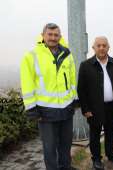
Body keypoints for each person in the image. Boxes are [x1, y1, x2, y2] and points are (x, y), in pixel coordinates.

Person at [20, 23, 77, 170]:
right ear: (43, 36)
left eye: (56, 35)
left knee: (66, 143)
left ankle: (66, 167)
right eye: (50, 35)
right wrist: (31, 108)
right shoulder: (31, 56)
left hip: (66, 108)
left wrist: (74, 100)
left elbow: (72, 79)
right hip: (45, 111)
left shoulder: (67, 54)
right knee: (50, 147)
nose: (53, 38)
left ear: (60, 36)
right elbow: (27, 83)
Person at [77, 36, 113, 170]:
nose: (101, 48)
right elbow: (81, 90)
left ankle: (111, 155)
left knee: (111, 132)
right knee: (94, 135)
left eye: (104, 45)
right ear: (93, 48)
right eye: (98, 45)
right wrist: (85, 109)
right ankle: (96, 159)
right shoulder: (86, 65)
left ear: (108, 47)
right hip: (94, 108)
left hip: (112, 106)